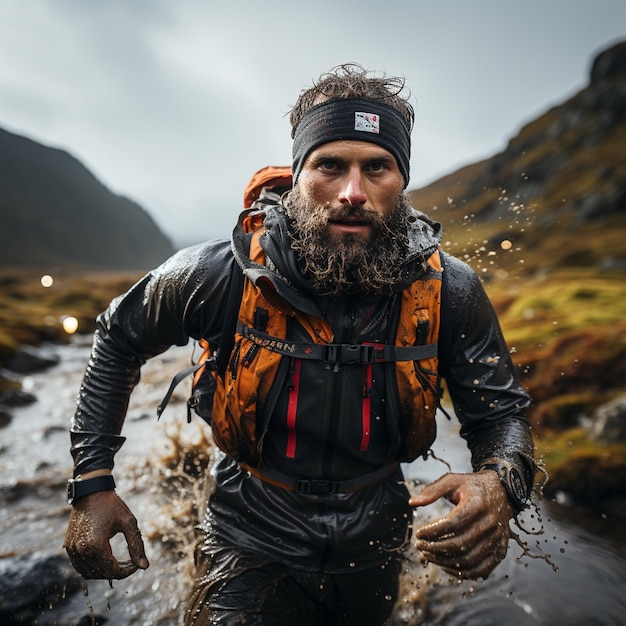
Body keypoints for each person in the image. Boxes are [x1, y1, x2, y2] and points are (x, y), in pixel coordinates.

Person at [64, 64, 536, 625]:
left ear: (401, 181)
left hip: (377, 539)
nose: (353, 192)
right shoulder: (221, 274)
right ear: (298, 174)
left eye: (377, 168)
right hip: (247, 531)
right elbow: (118, 334)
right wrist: (92, 486)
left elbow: (501, 413)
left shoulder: (450, 290)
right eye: (330, 166)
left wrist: (498, 482)